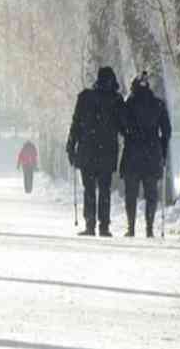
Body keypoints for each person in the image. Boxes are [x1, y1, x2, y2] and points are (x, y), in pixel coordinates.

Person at [66, 66, 127, 237]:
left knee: (89, 189)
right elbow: (124, 127)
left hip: (87, 151)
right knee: (105, 189)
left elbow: (75, 124)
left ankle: (90, 224)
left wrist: (71, 146)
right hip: (107, 153)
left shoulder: (85, 97)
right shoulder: (116, 100)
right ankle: (104, 226)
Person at [120, 71, 171, 238]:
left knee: (131, 194)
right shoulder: (158, 104)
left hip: (133, 153)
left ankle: (131, 227)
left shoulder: (129, 104)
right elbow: (166, 130)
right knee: (151, 194)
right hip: (152, 152)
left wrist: (129, 135)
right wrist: (162, 150)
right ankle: (149, 228)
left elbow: (122, 125)